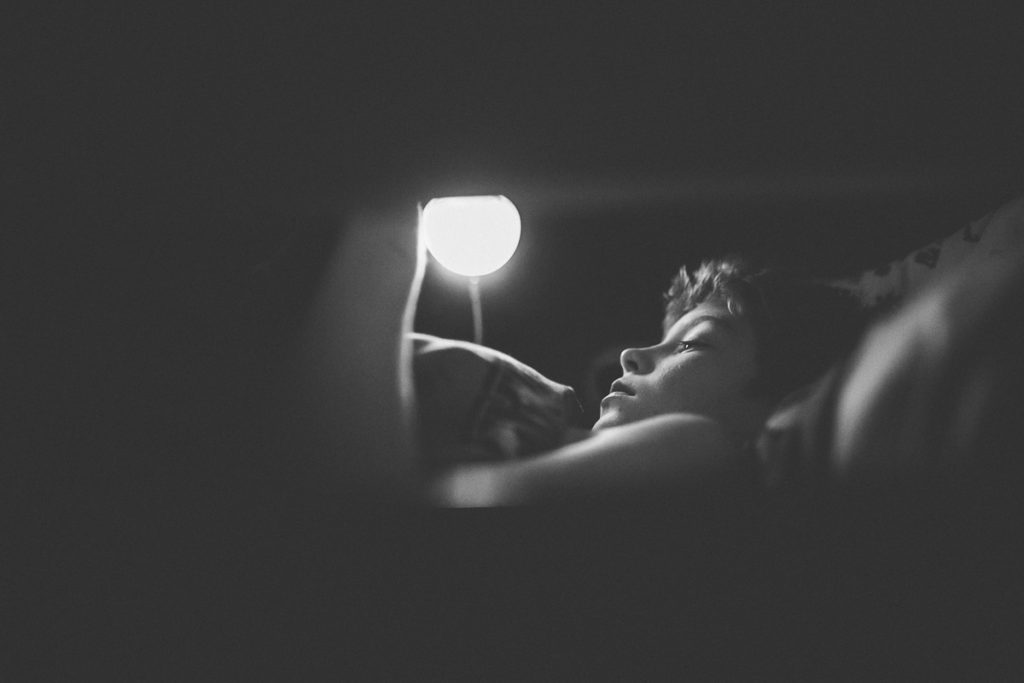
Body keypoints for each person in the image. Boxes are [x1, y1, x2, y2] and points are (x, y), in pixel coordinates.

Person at [288, 207, 865, 506]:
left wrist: (387, 245)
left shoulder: (701, 443)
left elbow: (416, 514)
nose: (632, 355)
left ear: (777, 405)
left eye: (693, 342)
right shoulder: (562, 420)